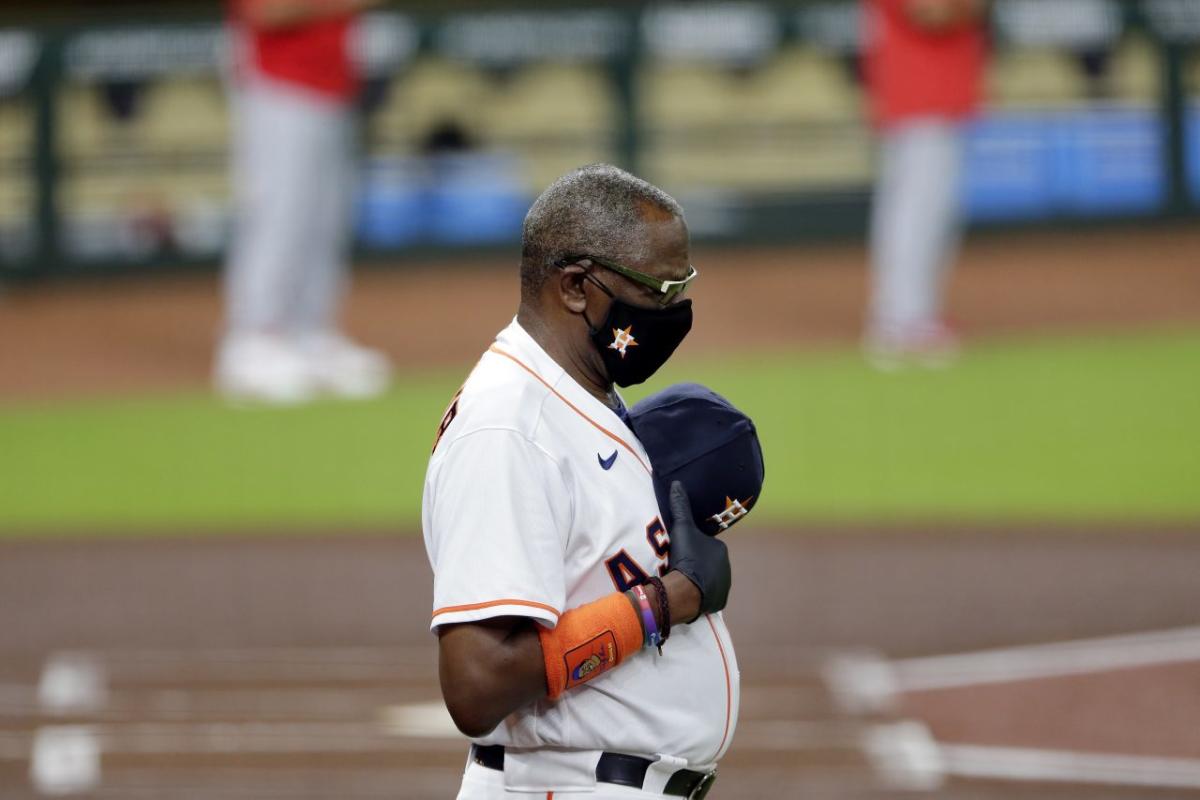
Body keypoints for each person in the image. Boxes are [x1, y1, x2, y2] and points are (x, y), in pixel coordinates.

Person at [422, 164, 736, 799]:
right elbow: (476, 685)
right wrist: (664, 603)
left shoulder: (577, 396)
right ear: (575, 287)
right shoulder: (507, 429)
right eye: (660, 291)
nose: (676, 311)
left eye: (683, 287)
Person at [216, 0, 392, 403]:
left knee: (325, 217)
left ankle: (311, 333)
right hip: (277, 82)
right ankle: (252, 339)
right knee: (279, 214)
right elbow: (268, 11)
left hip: (332, 83)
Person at [862, 0, 988, 367]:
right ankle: (903, 319)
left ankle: (908, 315)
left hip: (931, 90)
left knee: (927, 209)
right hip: (919, 89)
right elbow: (930, 11)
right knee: (916, 211)